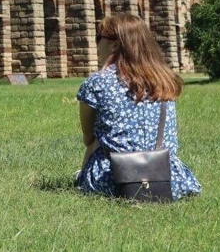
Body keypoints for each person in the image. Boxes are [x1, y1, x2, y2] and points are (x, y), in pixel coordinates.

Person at [76, 13, 201, 200]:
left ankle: (82, 181)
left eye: (98, 38)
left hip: (114, 180)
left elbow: (88, 137)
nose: (96, 44)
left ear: (115, 45)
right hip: (167, 177)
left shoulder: (97, 82)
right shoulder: (164, 80)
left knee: (97, 138)